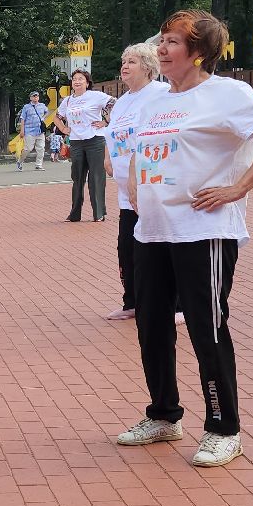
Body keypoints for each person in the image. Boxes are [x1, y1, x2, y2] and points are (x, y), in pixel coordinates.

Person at [116, 10, 253, 468]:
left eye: (173, 42)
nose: (162, 48)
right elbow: (141, 153)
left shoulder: (227, 95)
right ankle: (163, 415)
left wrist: (240, 188)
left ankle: (223, 427)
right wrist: (138, 188)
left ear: (198, 53)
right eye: (161, 40)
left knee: (205, 327)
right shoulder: (154, 101)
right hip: (152, 231)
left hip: (204, 231)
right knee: (151, 323)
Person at [105, 43, 170, 320]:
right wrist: (108, 158)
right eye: (123, 60)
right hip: (125, 190)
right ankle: (131, 301)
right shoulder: (121, 102)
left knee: (158, 247)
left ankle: (174, 304)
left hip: (153, 185)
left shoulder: (160, 94)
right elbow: (112, 134)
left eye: (132, 61)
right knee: (127, 247)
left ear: (148, 65)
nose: (125, 65)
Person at [58, 69, 115, 221]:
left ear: (87, 82)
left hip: (95, 140)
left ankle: (99, 213)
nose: (77, 81)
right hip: (76, 142)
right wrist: (64, 128)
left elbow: (115, 104)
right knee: (77, 178)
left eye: (80, 79)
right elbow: (57, 117)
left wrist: (106, 121)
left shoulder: (95, 96)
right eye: (74, 79)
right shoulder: (67, 100)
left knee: (96, 178)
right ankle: (75, 214)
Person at [17, 91, 46, 171]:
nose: (35, 97)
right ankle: (20, 161)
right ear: (30, 98)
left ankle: (38, 165)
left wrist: (43, 119)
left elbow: (47, 112)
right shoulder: (26, 107)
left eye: (37, 96)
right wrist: (22, 130)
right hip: (29, 130)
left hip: (40, 130)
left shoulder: (42, 106)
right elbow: (23, 118)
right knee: (28, 148)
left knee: (41, 148)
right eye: (34, 96)